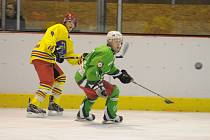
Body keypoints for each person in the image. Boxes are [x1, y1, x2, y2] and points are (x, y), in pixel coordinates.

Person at [27, 13, 82, 117]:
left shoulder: (68, 40)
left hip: (48, 58)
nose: (70, 24)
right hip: (42, 55)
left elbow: (70, 57)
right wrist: (54, 49)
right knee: (47, 82)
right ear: (64, 22)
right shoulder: (59, 27)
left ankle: (53, 104)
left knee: (61, 77)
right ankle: (33, 105)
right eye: (68, 21)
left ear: (75, 25)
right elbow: (49, 37)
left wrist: (83, 58)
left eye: (72, 22)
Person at [74, 31, 133, 123]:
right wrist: (95, 85)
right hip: (89, 79)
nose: (119, 44)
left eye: (120, 42)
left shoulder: (108, 51)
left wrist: (120, 75)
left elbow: (107, 68)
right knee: (114, 91)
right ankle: (110, 116)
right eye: (115, 41)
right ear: (109, 42)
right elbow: (92, 70)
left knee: (92, 95)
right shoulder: (107, 53)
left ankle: (83, 115)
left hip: (81, 78)